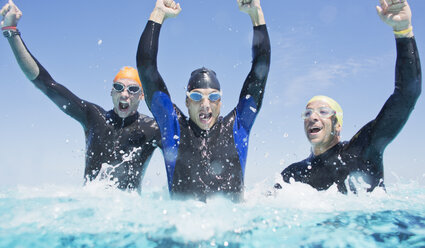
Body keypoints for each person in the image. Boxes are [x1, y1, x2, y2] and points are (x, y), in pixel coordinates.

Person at [1, 0, 160, 193]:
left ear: (141, 96)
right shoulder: (93, 117)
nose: (125, 94)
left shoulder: (152, 129)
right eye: (118, 87)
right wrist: (11, 32)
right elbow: (46, 83)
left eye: (133, 89)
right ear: (111, 92)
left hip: (128, 214)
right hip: (89, 210)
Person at [276, 0, 421, 194]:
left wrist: (403, 31)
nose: (313, 117)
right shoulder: (293, 175)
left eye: (323, 111)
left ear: (338, 125)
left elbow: (407, 95)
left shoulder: (363, 149)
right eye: (308, 113)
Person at [137, 0, 270, 202]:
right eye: (197, 97)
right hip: (183, 230)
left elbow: (260, 70)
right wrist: (158, 14)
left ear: (221, 102)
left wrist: (256, 14)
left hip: (231, 229)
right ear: (187, 102)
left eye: (213, 97)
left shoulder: (237, 126)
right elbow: (146, 67)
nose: (206, 104)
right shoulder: (173, 127)